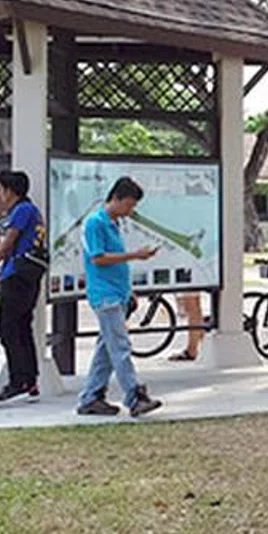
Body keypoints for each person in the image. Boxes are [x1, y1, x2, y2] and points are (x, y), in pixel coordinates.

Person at [76, 177, 162, 417]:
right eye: (129, 204)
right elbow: (98, 258)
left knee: (107, 348)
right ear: (115, 198)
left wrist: (128, 290)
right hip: (105, 295)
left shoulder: (113, 224)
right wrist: (135, 255)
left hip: (117, 293)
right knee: (120, 346)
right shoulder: (95, 223)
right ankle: (134, 396)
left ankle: (91, 397)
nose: (130, 210)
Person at [0, 169, 43, 405]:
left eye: (1, 189)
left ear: (10, 191)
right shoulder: (31, 210)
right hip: (24, 274)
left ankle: (18, 381)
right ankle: (30, 380)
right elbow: (18, 252)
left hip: (18, 279)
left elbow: (8, 243)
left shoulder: (22, 210)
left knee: (7, 329)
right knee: (22, 328)